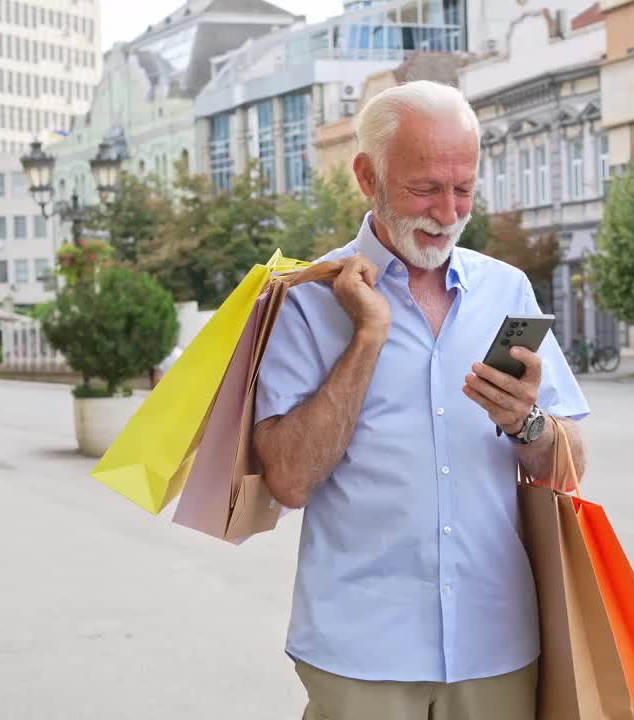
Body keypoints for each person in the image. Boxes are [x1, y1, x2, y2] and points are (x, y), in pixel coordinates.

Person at [251, 81, 588, 720]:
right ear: (366, 177)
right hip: (360, 651)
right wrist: (368, 337)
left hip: (497, 644)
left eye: (464, 188)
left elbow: (571, 463)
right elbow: (290, 480)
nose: (447, 211)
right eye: (425, 188)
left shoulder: (507, 291)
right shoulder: (306, 300)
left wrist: (529, 423)